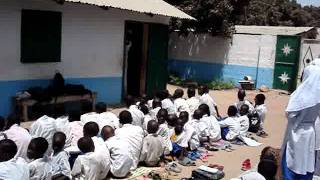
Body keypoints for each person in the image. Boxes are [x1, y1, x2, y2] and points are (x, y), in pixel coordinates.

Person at [281, 65, 320, 180]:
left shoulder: (299, 95)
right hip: (310, 132)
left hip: (297, 133)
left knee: (291, 162)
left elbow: (290, 114)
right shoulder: (318, 97)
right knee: (307, 162)